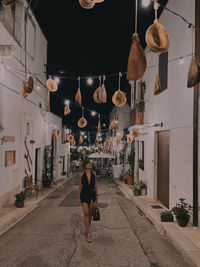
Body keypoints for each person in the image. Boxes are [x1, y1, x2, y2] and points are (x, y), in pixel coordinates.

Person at [78, 160, 98, 243]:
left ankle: (87, 229)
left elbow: (95, 185)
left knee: (90, 213)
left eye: (90, 164)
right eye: (88, 164)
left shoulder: (94, 174)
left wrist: (96, 196)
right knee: (86, 212)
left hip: (92, 195)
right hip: (84, 195)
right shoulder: (81, 175)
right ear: (85, 166)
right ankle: (88, 233)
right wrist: (78, 197)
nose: (89, 165)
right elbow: (80, 186)